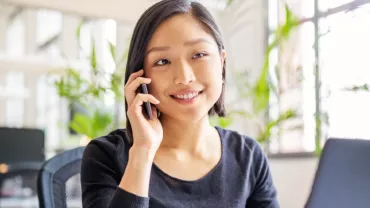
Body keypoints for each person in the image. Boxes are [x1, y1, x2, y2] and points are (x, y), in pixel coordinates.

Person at [81, 0, 279, 207]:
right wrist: (143, 150)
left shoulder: (247, 157)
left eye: (198, 55)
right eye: (162, 61)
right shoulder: (106, 156)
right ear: (140, 76)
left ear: (221, 62)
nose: (184, 77)